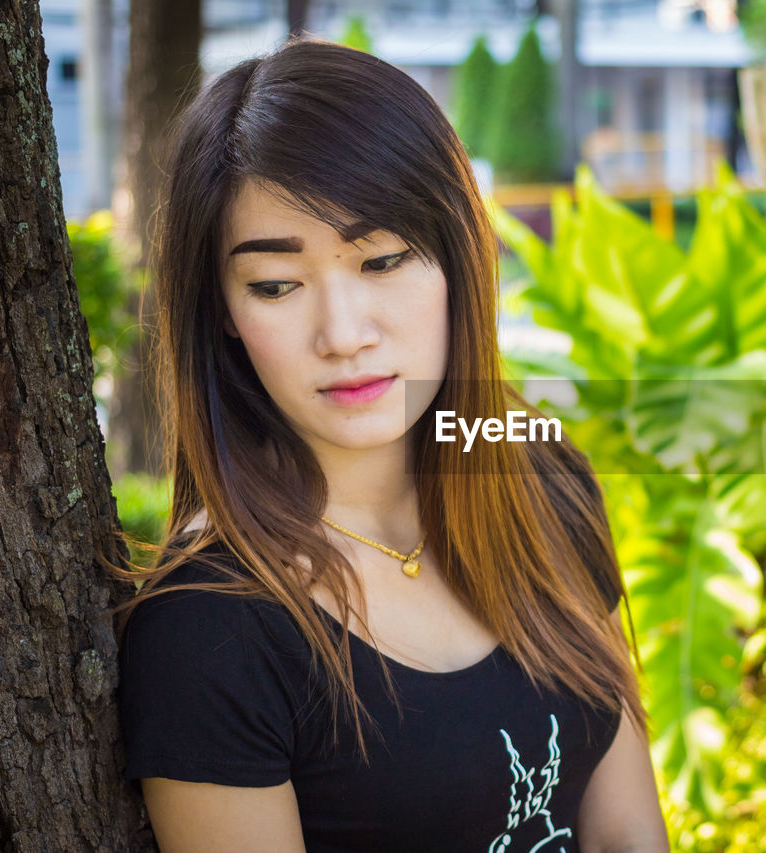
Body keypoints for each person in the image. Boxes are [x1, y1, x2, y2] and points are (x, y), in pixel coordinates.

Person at [111, 37, 669, 852]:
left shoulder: (545, 484)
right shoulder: (210, 629)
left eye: (382, 260)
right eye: (276, 285)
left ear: (457, 256)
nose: (343, 334)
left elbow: (629, 832)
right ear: (224, 312)